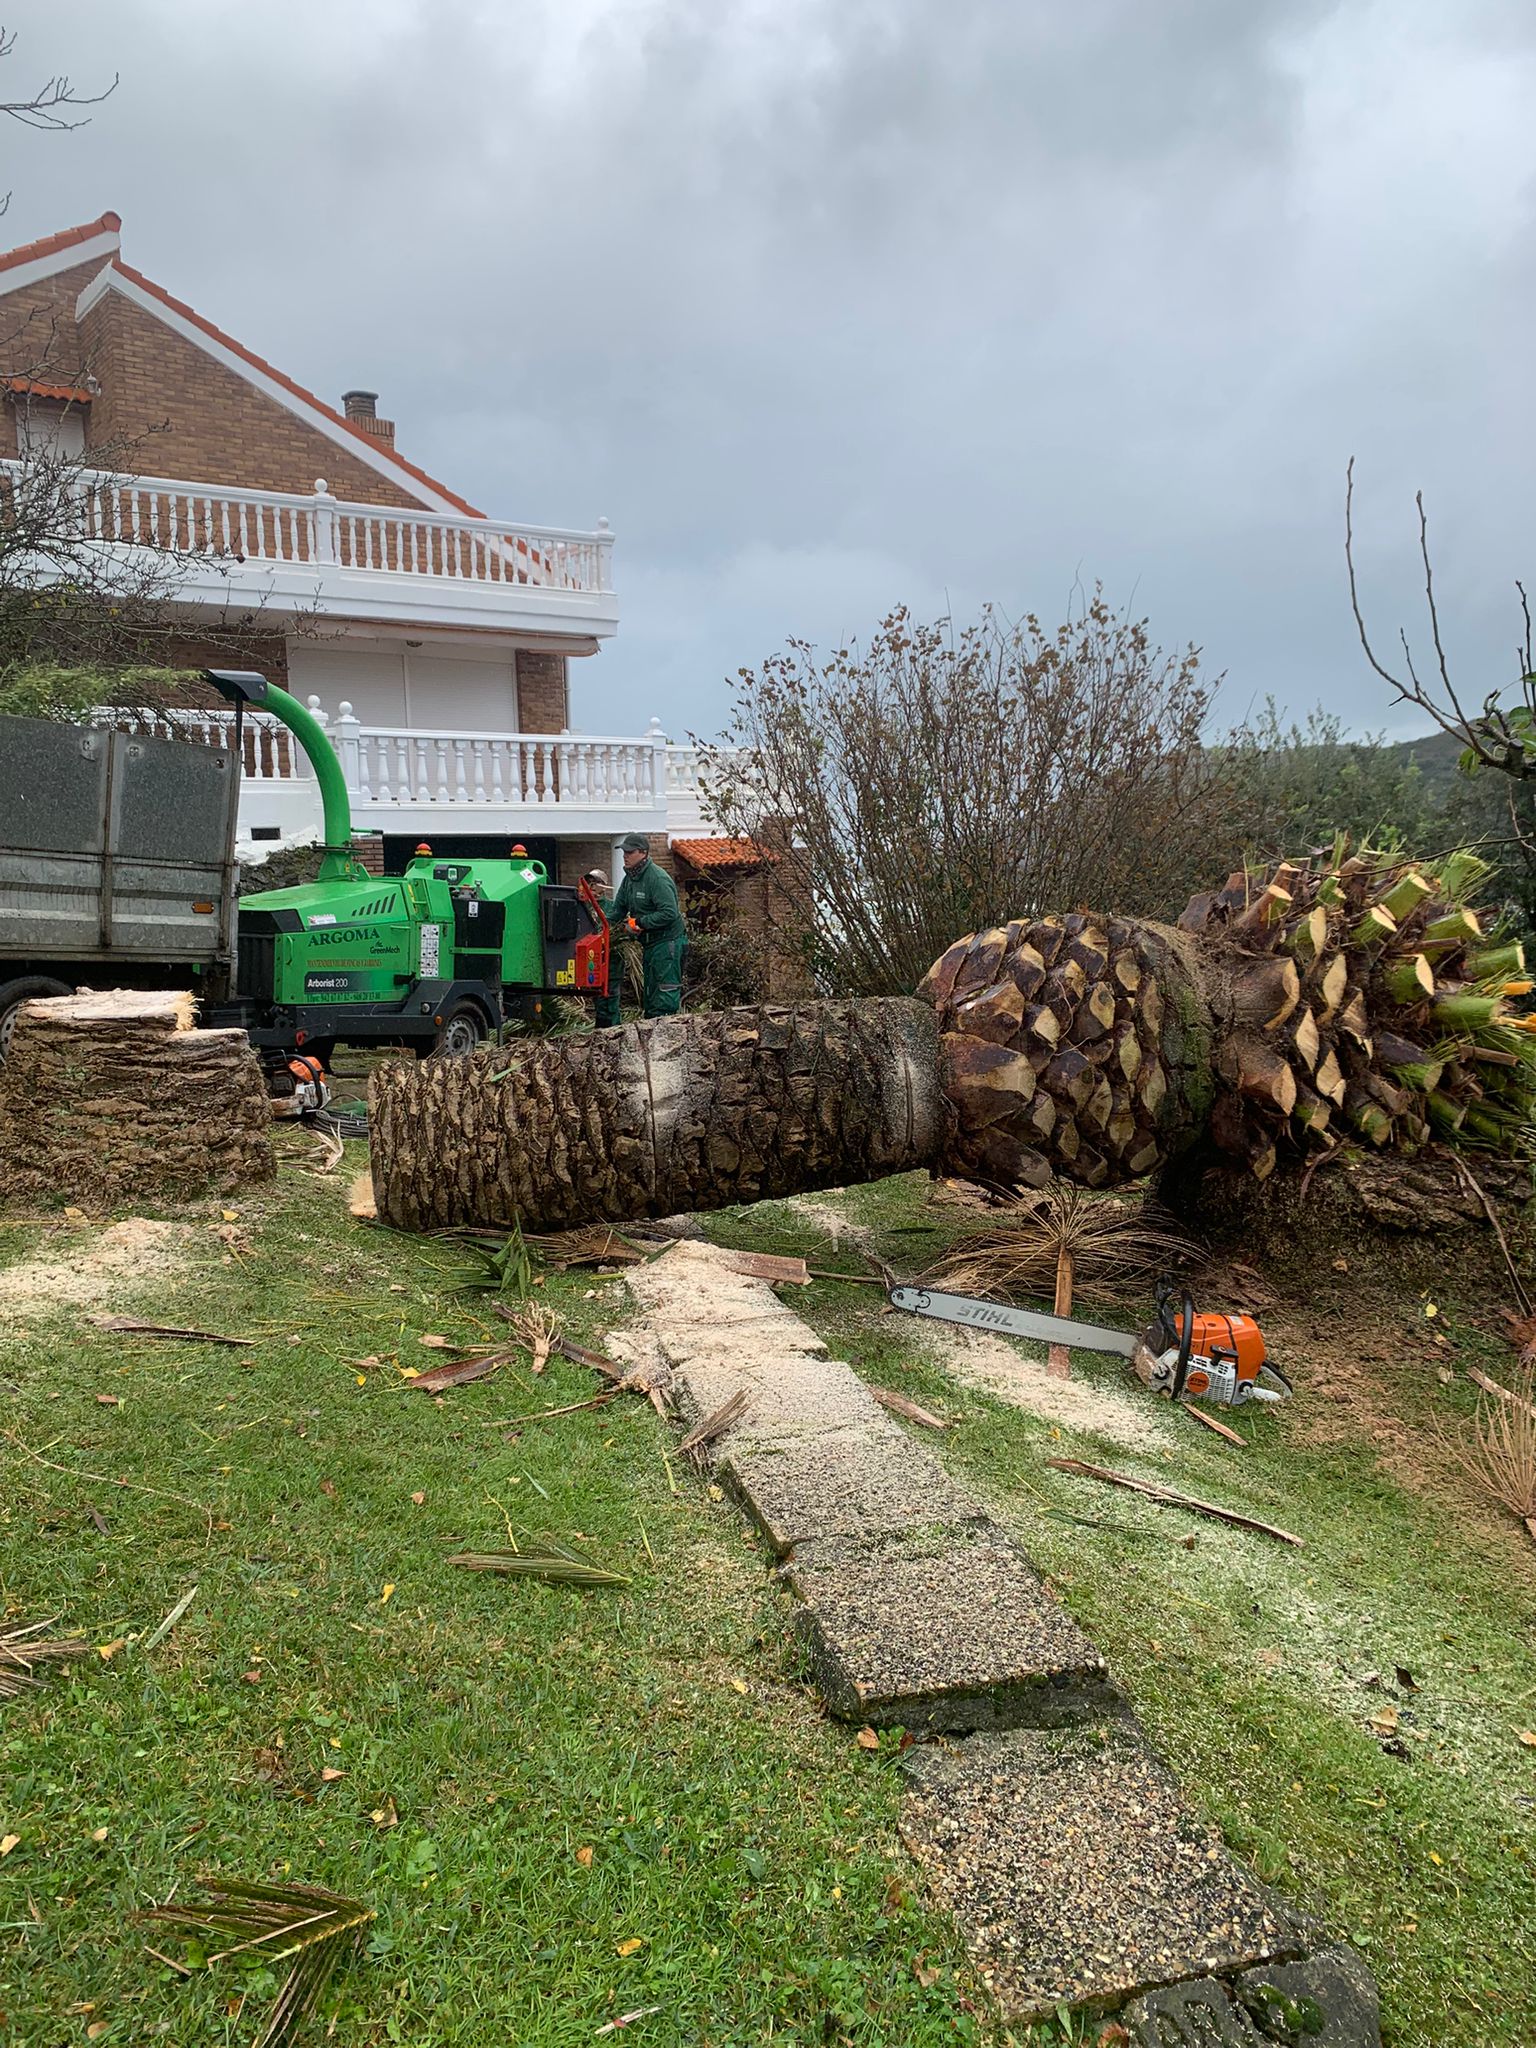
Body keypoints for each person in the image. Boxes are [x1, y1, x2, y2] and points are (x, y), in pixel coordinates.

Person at [607, 833, 687, 1018]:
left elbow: (669, 913)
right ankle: (651, 1027)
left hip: (667, 943)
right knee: (650, 994)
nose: (625, 856)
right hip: (650, 944)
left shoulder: (657, 878)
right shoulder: (629, 879)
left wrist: (640, 922)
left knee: (664, 993)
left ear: (643, 853)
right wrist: (601, 927)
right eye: (624, 852)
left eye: (630, 852)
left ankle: (666, 1028)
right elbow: (618, 910)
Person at [584, 868, 624, 1030]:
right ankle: (601, 1030)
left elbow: (620, 929)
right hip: (592, 960)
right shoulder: (583, 907)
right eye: (590, 884)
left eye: (596, 884)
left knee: (611, 997)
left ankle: (615, 1030)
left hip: (612, 961)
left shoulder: (612, 908)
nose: (592, 888)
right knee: (598, 998)